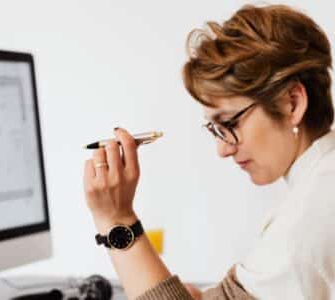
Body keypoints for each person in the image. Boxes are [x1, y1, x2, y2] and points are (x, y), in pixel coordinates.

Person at [83, 4, 335, 300]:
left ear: (291, 103)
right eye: (215, 129)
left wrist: (116, 219)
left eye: (229, 123)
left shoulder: (311, 212)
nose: (222, 149)